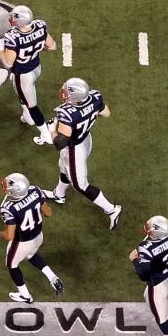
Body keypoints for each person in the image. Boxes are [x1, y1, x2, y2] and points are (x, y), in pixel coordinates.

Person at [45, 77, 122, 229]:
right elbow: (106, 113)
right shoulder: (95, 97)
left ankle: (112, 210)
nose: (63, 90)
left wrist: (51, 129)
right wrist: (90, 112)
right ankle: (59, 194)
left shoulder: (66, 114)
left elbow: (60, 143)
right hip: (86, 139)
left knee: (80, 185)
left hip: (74, 149)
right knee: (63, 167)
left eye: (66, 90)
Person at [0, 173, 63, 303]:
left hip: (21, 242)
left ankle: (25, 295)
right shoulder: (35, 190)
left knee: (12, 264)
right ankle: (52, 277)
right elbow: (48, 213)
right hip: (38, 236)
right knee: (31, 255)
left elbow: (9, 236)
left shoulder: (8, 207)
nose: (5, 187)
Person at [0, 5, 57, 145]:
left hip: (23, 74)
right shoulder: (40, 26)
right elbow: (52, 46)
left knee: (32, 105)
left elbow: (8, 63)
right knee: (25, 97)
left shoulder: (12, 37)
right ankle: (27, 116)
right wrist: (35, 44)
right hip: (36, 67)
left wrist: (1, 49)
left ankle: (45, 134)